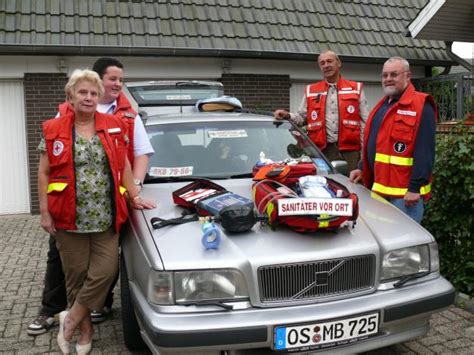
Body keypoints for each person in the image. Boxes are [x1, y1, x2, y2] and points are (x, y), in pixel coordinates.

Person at [28, 58, 154, 335]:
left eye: (93, 93)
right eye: (83, 92)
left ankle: (77, 315)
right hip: (67, 213)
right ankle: (74, 325)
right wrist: (45, 211)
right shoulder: (57, 123)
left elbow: (128, 161)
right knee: (70, 271)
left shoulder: (120, 119)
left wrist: (134, 192)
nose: (89, 97)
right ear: (71, 95)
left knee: (105, 270)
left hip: (106, 212)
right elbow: (44, 171)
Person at [349, 56, 437, 223]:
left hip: (405, 196)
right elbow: (375, 144)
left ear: (407, 76)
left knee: (404, 245)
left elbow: (425, 151)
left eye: (394, 74)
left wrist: (415, 187)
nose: (388, 79)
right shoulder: (382, 106)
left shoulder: (421, 105)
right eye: (385, 75)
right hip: (379, 190)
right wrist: (362, 168)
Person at [274, 50, 369, 171]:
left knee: (353, 185)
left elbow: (365, 123)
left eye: (330, 61)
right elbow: (301, 118)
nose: (326, 65)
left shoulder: (355, 88)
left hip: (351, 152)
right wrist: (287, 115)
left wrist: (364, 153)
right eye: (322, 63)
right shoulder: (311, 90)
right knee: (324, 184)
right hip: (322, 152)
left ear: (338, 63)